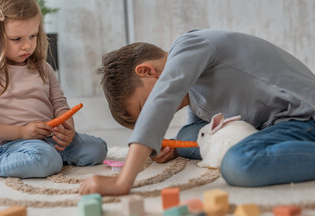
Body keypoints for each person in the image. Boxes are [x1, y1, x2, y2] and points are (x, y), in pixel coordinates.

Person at [79, 28, 315, 195]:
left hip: (302, 116)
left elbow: (163, 99)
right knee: (185, 137)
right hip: (275, 126)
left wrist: (123, 181)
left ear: (147, 71)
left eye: (145, 108)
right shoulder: (195, 97)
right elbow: (199, 134)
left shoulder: (190, 45)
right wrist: (166, 147)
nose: (156, 117)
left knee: (237, 164)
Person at [0, 0, 107, 178]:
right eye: (17, 39)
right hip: (13, 144)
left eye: (33, 35)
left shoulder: (43, 68)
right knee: (46, 161)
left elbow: (59, 104)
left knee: (97, 149)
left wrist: (68, 130)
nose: (27, 45)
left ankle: (48, 157)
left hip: (49, 139)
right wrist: (22, 133)